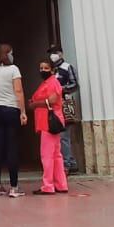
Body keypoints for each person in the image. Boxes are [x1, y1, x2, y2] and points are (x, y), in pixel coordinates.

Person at [0, 43, 28, 198]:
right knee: (12, 148)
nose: (12, 55)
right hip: (11, 110)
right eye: (11, 52)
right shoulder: (13, 69)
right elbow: (18, 91)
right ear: (7, 54)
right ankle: (14, 187)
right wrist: (23, 111)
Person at [30, 59, 70, 195]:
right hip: (51, 120)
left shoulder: (52, 82)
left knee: (47, 155)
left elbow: (52, 100)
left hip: (49, 121)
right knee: (56, 155)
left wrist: (36, 104)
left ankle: (48, 185)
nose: (42, 70)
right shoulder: (49, 82)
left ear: (52, 70)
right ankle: (61, 184)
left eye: (46, 68)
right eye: (41, 68)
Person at [48, 45, 81, 175]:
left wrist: (61, 89)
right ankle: (71, 163)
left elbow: (74, 84)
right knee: (60, 136)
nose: (52, 55)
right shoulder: (51, 70)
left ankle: (66, 164)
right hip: (54, 106)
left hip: (64, 105)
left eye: (55, 52)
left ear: (61, 53)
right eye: (51, 53)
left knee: (63, 136)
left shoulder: (67, 67)